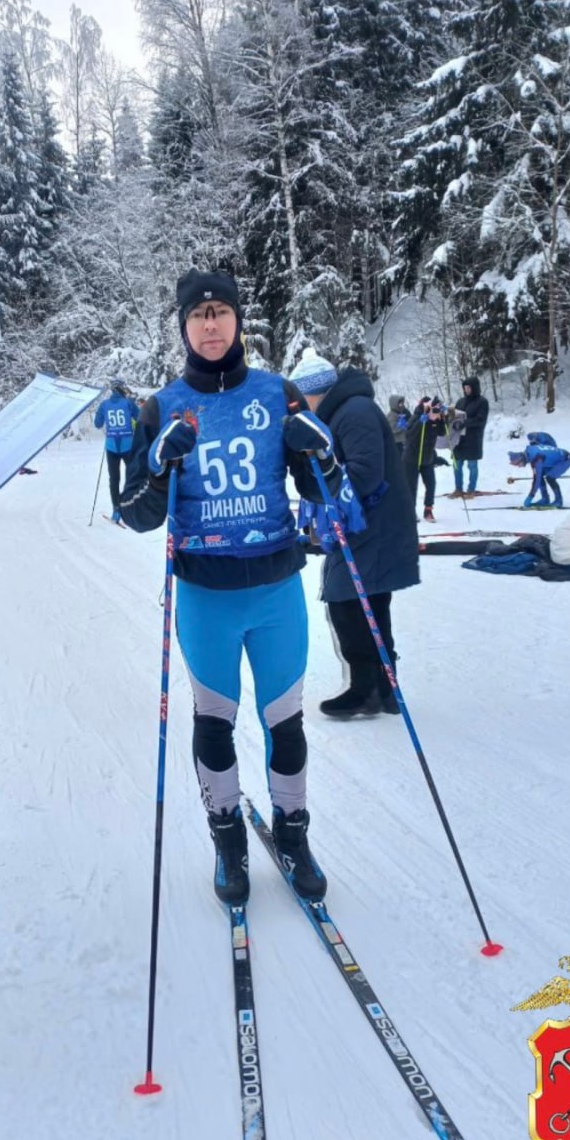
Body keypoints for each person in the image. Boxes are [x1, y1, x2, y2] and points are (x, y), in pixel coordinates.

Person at [120, 270, 342, 904]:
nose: (210, 324)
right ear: (184, 327)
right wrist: (158, 465)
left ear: (239, 320)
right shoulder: (160, 407)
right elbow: (134, 513)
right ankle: (228, 843)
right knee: (215, 723)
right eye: (198, 314)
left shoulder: (278, 393)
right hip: (205, 596)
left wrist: (323, 454)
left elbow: (326, 493)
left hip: (275, 591)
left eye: (220, 311)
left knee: (285, 721)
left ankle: (293, 835)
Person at [293, 353, 419, 718]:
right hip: (368, 524)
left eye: (302, 399)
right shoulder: (345, 411)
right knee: (370, 603)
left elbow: (364, 474)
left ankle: (366, 689)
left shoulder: (354, 412)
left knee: (346, 600)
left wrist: (324, 472)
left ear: (315, 393)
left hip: (372, 526)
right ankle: (384, 689)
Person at [94, 381, 140, 522]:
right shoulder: (128, 403)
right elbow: (140, 417)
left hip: (111, 447)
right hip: (127, 446)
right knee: (132, 476)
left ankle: (116, 510)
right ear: (121, 390)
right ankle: (133, 506)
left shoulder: (104, 404)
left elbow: (97, 424)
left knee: (114, 479)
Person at [403, 395, 447, 521]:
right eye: (432, 408)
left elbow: (442, 432)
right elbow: (409, 435)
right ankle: (411, 511)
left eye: (436, 408)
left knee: (431, 484)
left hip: (427, 457)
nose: (434, 410)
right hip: (412, 458)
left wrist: (442, 418)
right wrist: (422, 421)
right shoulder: (416, 416)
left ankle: (428, 510)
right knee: (412, 486)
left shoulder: (436, 418)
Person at [509, 433, 570, 507]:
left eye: (517, 464)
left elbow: (536, 480)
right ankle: (545, 499)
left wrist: (530, 497)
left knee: (550, 478)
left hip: (565, 459)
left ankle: (559, 501)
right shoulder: (530, 452)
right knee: (541, 475)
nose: (518, 467)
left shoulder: (536, 458)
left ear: (521, 459)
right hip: (559, 457)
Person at [452, 376, 489, 495]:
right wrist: (453, 422)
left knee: (472, 465)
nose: (466, 390)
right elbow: (455, 416)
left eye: (468, 387)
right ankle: (458, 489)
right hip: (459, 439)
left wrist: (465, 423)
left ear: (474, 387)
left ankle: (471, 489)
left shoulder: (482, 402)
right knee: (457, 465)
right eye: (465, 388)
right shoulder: (460, 401)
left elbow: (481, 419)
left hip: (473, 438)